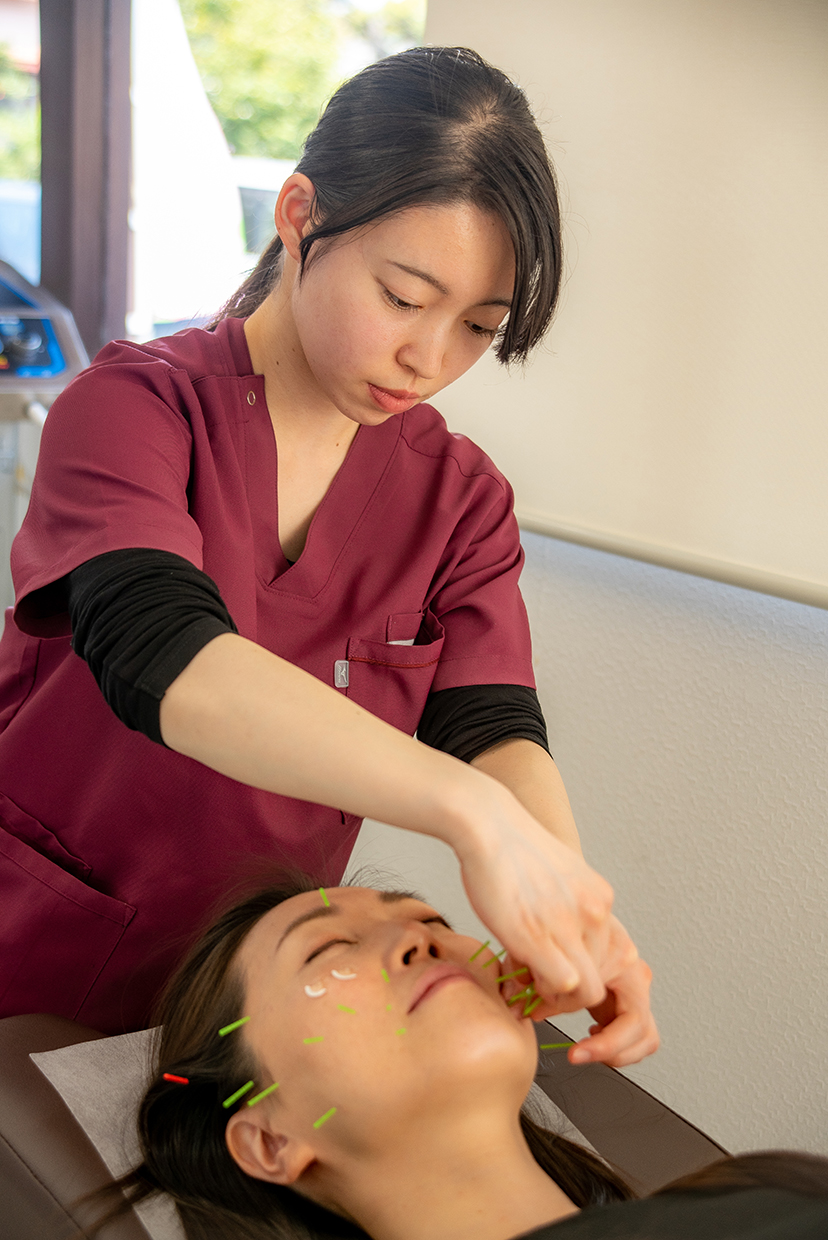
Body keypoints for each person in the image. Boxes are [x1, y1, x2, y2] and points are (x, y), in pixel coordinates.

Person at [0, 47, 654, 1053]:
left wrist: (572, 904)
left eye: (479, 325)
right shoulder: (134, 407)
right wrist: (469, 815)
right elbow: (163, 653)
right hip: (33, 934)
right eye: (402, 297)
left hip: (243, 990)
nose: (429, 359)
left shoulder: (460, 498)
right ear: (301, 216)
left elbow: (490, 721)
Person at [96, 876, 828, 1240]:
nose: (421, 940)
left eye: (431, 919)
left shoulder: (769, 1188)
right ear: (270, 1138)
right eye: (328, 951)